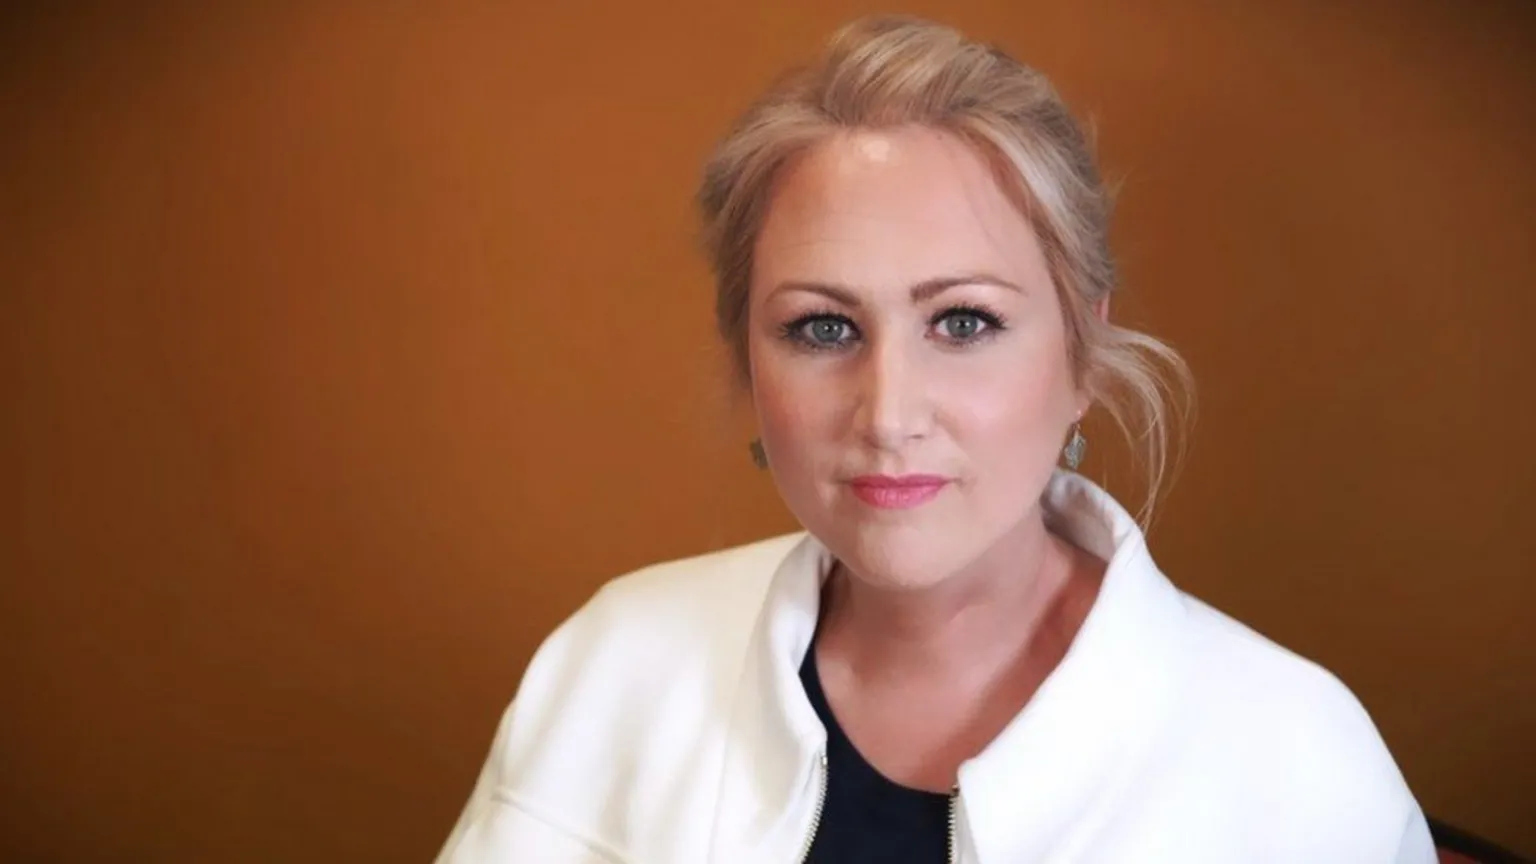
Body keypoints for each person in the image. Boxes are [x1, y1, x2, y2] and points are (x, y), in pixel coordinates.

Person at [434, 15, 1435, 863]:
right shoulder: (615, 662)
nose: (889, 413)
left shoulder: (1298, 762)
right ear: (747, 361)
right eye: (823, 329)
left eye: (963, 322)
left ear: (1082, 353)